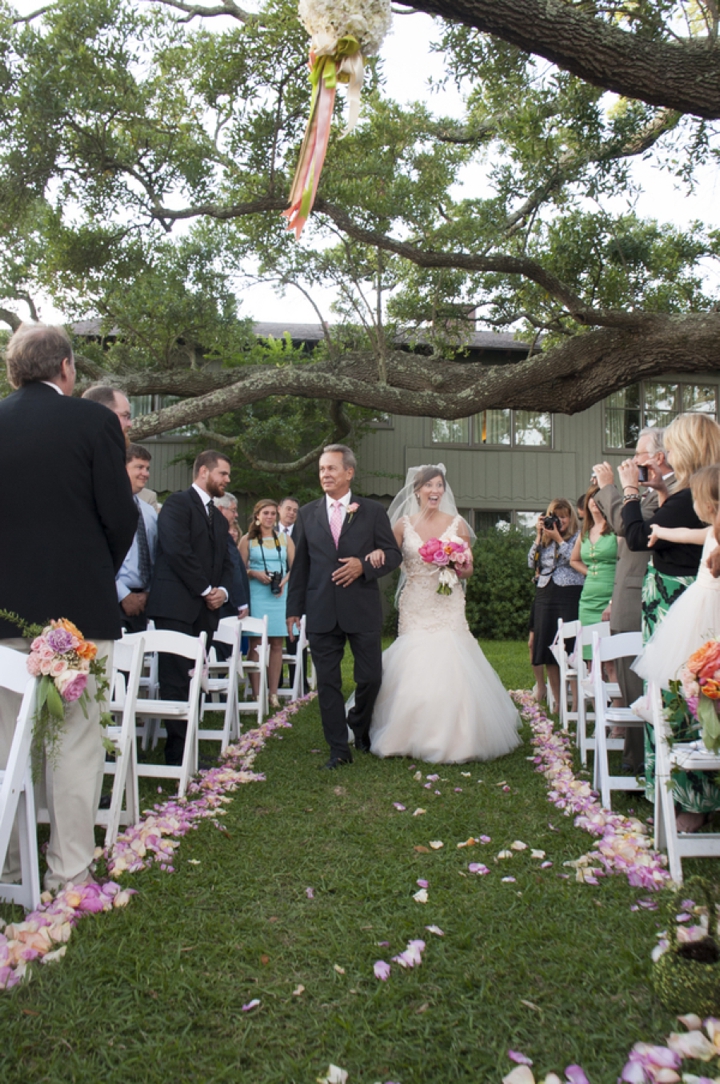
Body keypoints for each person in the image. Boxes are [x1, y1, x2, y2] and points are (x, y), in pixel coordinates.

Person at [0, 322, 137, 890]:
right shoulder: (94, 421)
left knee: (5, 745)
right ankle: (68, 869)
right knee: (74, 742)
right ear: (66, 369)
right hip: (75, 614)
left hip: (2, 612)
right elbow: (120, 514)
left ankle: (7, 864)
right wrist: (90, 570)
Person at [368, 465, 521, 763]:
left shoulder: (457, 524)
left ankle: (460, 736)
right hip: (416, 602)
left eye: (439, 485)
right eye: (429, 485)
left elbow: (470, 568)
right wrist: (376, 554)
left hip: (448, 600)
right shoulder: (402, 525)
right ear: (417, 491)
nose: (435, 490)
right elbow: (386, 555)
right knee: (414, 658)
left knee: (453, 657)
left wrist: (461, 564)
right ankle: (404, 731)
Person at [619, 412, 720, 829]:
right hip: (677, 600)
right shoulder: (690, 495)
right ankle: (676, 794)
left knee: (684, 700)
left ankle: (692, 803)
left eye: (673, 447)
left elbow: (639, 536)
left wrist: (628, 490)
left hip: (681, 606)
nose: (665, 456)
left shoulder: (693, 496)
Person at [286, 445, 402, 769]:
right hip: (321, 608)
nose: (325, 474)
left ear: (349, 472)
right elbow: (301, 567)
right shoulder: (307, 514)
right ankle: (339, 749)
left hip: (361, 608)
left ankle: (359, 725)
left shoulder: (372, 511)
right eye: (322, 469)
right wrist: (293, 609)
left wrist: (364, 565)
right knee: (328, 682)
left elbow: (393, 555)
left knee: (370, 678)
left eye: (331, 468)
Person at [146, 450, 234, 766]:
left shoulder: (218, 516)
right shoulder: (177, 504)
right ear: (203, 472)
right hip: (176, 607)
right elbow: (176, 550)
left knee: (196, 678)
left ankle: (189, 750)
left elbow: (226, 559)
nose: (226, 480)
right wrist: (206, 588)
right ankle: (177, 754)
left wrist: (222, 590)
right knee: (175, 680)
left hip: (205, 612)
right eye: (222, 474)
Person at [592, 427, 670, 772]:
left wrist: (614, 487)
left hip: (647, 599)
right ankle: (636, 757)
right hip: (625, 595)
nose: (633, 460)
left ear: (659, 456)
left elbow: (629, 528)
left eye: (639, 454)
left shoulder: (663, 494)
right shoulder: (647, 491)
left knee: (642, 681)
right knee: (627, 678)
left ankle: (643, 763)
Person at [634, 464, 720, 688]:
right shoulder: (711, 532)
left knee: (696, 659)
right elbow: (686, 534)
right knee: (693, 663)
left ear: (708, 506)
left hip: (706, 608)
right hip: (699, 606)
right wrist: (660, 531)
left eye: (695, 500)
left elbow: (688, 534)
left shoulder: (713, 535)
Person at [527, 499, 584, 707]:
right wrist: (539, 535)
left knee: (570, 648)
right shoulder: (545, 538)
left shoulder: (578, 536)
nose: (559, 521)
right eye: (555, 516)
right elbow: (531, 562)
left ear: (571, 518)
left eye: (563, 516)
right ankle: (558, 701)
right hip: (545, 594)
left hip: (569, 594)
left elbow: (574, 559)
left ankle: (576, 704)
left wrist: (559, 539)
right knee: (549, 648)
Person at [239, 499, 293, 710]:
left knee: (277, 644)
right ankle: (255, 693)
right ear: (257, 516)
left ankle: (273, 693)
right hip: (257, 593)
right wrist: (254, 573)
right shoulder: (248, 540)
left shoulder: (285, 539)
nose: (270, 517)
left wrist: (283, 582)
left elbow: (295, 567)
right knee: (256, 644)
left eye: (273, 513)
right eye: (266, 513)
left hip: (278, 594)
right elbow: (238, 570)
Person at [570, 484, 618, 659]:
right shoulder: (584, 533)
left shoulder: (616, 531)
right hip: (588, 599)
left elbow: (625, 564)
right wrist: (589, 571)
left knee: (611, 658)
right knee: (590, 658)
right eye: (591, 496)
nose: (595, 501)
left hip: (610, 596)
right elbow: (573, 560)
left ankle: (613, 686)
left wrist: (613, 602)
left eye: (600, 497)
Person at [116, 444, 158, 633]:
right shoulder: (108, 508)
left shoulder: (149, 512)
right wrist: (123, 595)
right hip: (113, 598)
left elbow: (154, 554)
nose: (145, 473)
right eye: (139, 467)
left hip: (143, 602)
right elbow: (99, 557)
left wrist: (148, 592)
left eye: (147, 468)